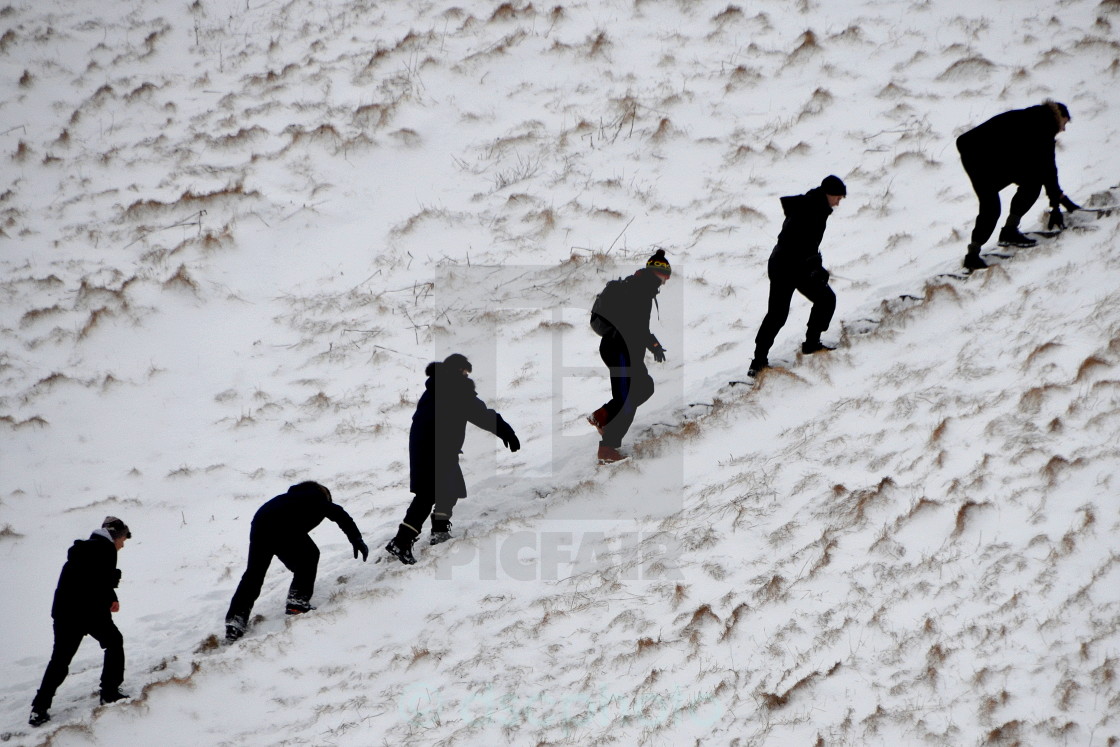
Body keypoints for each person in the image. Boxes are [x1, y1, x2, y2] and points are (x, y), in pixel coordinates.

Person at [385, 354, 520, 565]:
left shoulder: (436, 387)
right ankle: (401, 542)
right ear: (458, 371)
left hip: (431, 448)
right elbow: (482, 414)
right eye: (465, 372)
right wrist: (506, 432)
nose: (467, 376)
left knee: (450, 489)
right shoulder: (455, 389)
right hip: (435, 450)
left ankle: (438, 530)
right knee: (427, 496)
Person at [224, 481, 367, 641]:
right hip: (285, 524)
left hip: (261, 524)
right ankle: (297, 602)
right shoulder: (316, 497)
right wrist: (356, 539)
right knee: (310, 555)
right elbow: (340, 514)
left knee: (254, 574)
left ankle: (235, 622)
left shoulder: (290, 497)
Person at [30, 517, 132, 727]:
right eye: (123, 540)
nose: (122, 545)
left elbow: (90, 578)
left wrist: (111, 596)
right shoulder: (106, 550)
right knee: (114, 642)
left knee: (60, 660)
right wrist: (112, 586)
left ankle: (39, 708)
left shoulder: (85, 548)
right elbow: (99, 582)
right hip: (88, 612)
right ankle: (110, 692)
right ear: (116, 537)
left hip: (65, 613)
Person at [956, 100, 1080, 270]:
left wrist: (1058, 200)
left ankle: (1009, 232)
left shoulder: (1037, 120)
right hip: (978, 156)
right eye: (1065, 123)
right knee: (991, 207)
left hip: (996, 157)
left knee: (1032, 181)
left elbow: (1044, 169)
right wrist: (1057, 206)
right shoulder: (1043, 125)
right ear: (1059, 117)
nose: (1063, 129)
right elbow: (1048, 166)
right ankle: (972, 256)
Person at [748, 176, 846, 377]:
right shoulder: (810, 209)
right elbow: (794, 243)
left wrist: (815, 265)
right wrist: (813, 267)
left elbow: (808, 245)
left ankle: (812, 343)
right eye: (838, 197)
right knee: (777, 315)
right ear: (828, 193)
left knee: (826, 299)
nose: (839, 202)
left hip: (797, 265)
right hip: (784, 267)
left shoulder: (816, 207)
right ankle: (758, 362)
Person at [586, 250, 671, 464]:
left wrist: (653, 345)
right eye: (665, 277)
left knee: (644, 387)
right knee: (628, 400)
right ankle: (607, 449)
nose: (665, 282)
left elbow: (638, 327)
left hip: (623, 350)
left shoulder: (639, 286)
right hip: (620, 350)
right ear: (656, 273)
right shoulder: (640, 290)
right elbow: (637, 327)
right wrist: (653, 344)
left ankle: (603, 415)